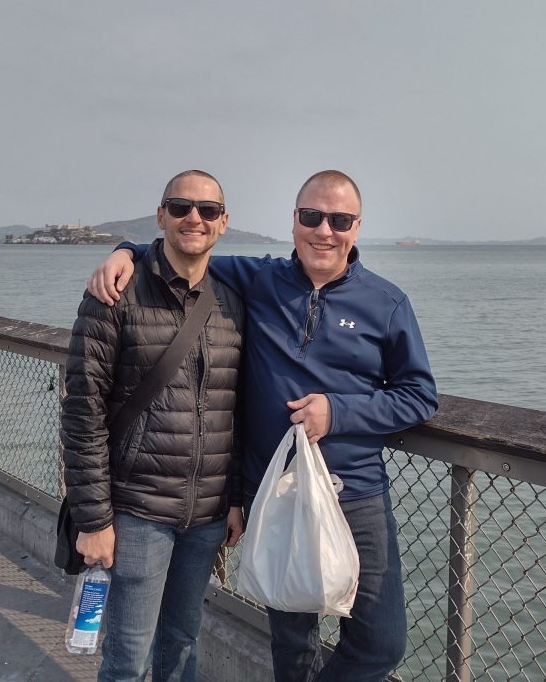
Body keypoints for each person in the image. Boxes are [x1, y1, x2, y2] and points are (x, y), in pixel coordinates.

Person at [87, 170, 438, 682]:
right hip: (273, 492)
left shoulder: (387, 303)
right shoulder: (258, 280)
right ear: (294, 221)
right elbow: (186, 247)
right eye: (312, 216)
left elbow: (419, 396)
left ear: (357, 227)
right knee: (292, 642)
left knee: (381, 642)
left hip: (355, 492)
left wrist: (338, 412)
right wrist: (125, 251)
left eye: (339, 220)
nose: (324, 231)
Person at [60, 170, 245, 682]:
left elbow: (234, 411)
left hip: (206, 515)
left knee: (181, 644)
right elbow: (82, 413)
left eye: (208, 210)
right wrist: (94, 520)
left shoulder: (233, 302)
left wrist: (233, 497)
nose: (194, 218)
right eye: (181, 207)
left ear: (223, 222)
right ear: (161, 216)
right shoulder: (114, 294)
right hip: (137, 511)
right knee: (129, 656)